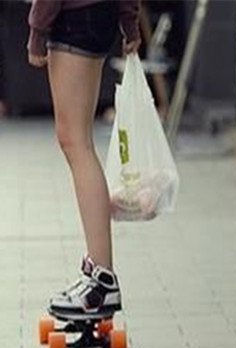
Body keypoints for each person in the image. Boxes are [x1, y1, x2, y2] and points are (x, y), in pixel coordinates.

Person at [27, 0, 141, 317]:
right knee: (80, 142)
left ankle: (102, 278)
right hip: (99, 15)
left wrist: (37, 30)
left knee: (76, 142)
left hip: (73, 19)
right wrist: (129, 20)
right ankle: (98, 269)